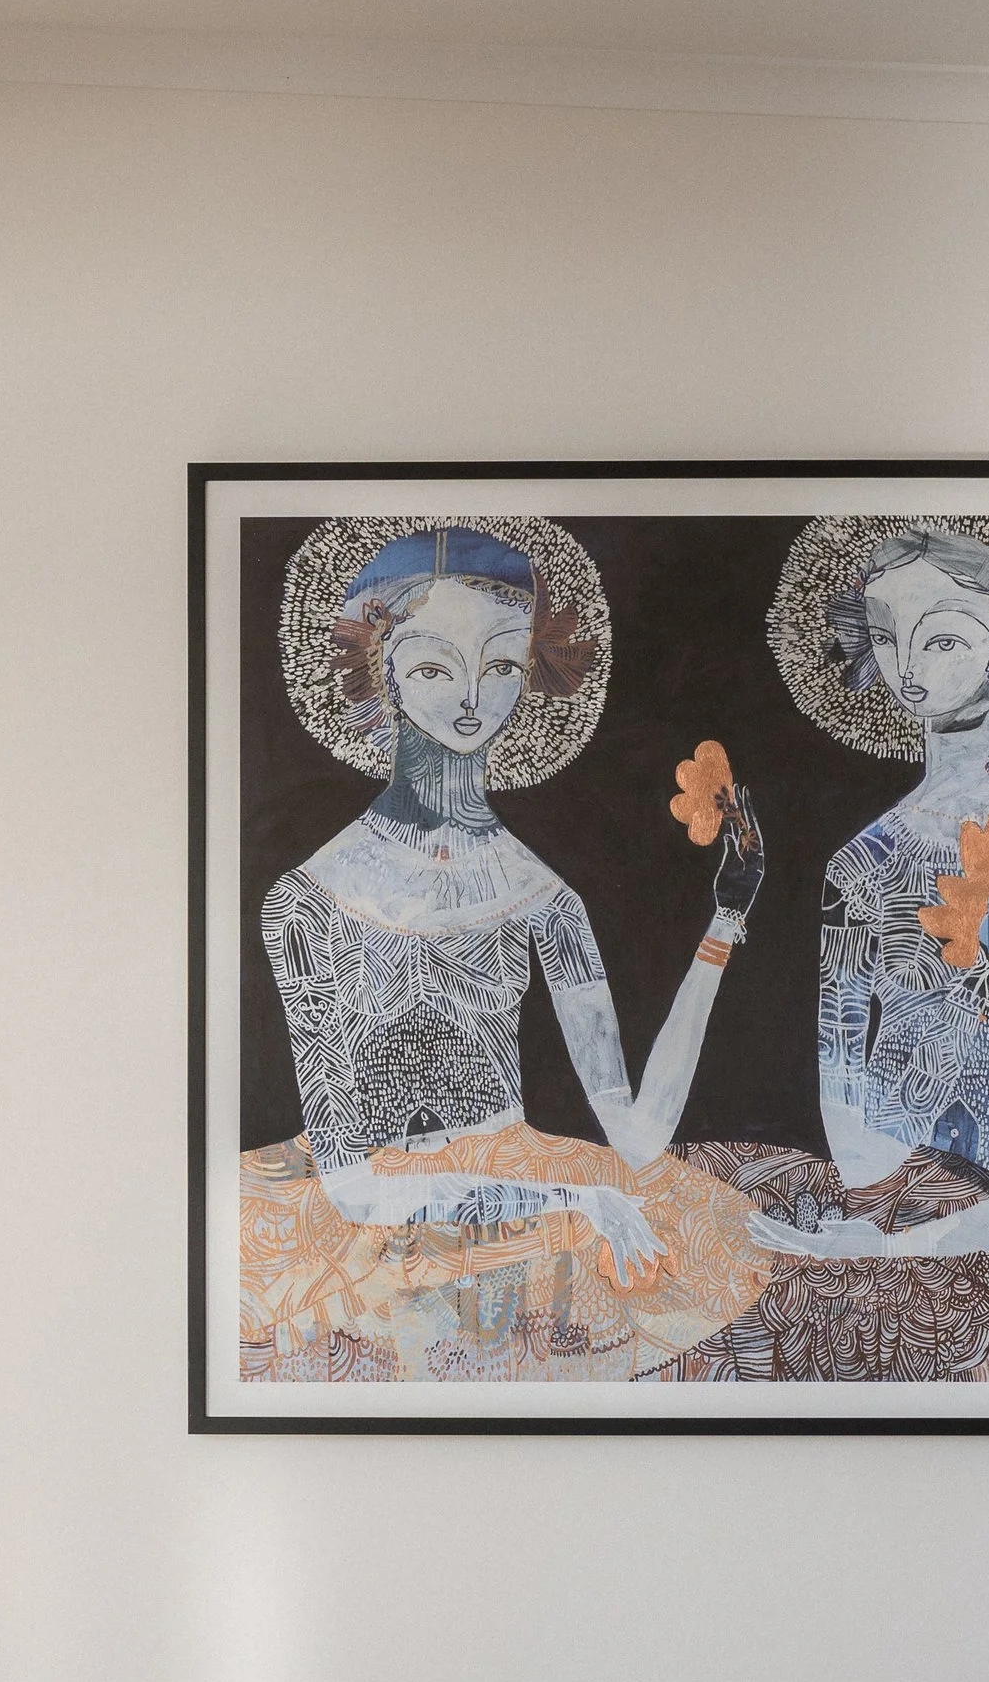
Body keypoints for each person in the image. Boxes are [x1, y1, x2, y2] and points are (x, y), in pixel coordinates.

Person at [260, 527, 761, 1286]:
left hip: (531, 1231)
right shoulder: (305, 902)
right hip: (381, 1262)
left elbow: (637, 1136)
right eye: (434, 665)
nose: (470, 697)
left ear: (529, 673)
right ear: (379, 669)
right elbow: (353, 1189)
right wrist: (571, 1199)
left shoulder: (546, 898)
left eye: (498, 665)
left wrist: (725, 923)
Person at [758, 524, 989, 1267]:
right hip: (868, 1223)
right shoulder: (859, 866)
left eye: (942, 640)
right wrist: (872, 1226)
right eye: (887, 639)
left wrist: (911, 1245)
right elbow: (841, 1085)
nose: (909, 668)